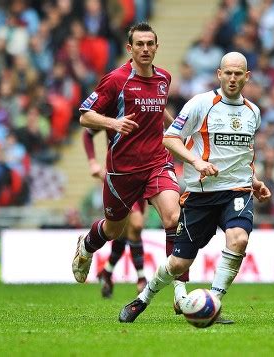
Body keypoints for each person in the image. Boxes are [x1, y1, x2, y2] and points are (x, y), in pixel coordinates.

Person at [119, 52, 271, 323]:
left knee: (239, 239)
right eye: (228, 73)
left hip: (237, 190)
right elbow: (170, 138)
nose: (233, 78)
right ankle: (143, 299)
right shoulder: (200, 104)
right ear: (219, 74)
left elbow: (244, 154)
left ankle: (213, 303)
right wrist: (196, 161)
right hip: (200, 194)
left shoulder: (253, 112)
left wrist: (255, 181)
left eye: (239, 74)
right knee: (179, 264)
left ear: (247, 77)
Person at [72, 22, 189, 305]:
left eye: (150, 44)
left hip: (157, 163)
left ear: (156, 47)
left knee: (174, 218)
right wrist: (113, 122)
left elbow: (158, 110)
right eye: (140, 44)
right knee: (114, 230)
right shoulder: (116, 80)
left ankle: (181, 292)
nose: (146, 49)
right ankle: (86, 247)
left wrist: (177, 132)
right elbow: (85, 116)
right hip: (122, 171)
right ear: (130, 48)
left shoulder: (164, 78)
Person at [82, 128, 147, 297]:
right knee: (136, 224)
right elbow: (88, 131)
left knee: (125, 231)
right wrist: (92, 162)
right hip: (119, 177)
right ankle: (141, 279)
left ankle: (107, 273)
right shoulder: (114, 108)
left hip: (142, 175)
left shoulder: (147, 106)